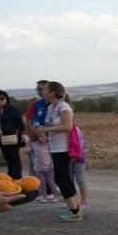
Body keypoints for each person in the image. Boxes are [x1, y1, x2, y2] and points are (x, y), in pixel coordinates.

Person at [31, 82, 82, 222]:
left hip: (63, 149)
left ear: (53, 92)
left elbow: (68, 126)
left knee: (61, 178)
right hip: (54, 148)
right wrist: (41, 129)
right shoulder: (50, 108)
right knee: (62, 177)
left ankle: (74, 211)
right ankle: (74, 207)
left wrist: (45, 130)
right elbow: (50, 124)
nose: (42, 92)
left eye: (45, 90)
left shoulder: (64, 106)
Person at [0, 91, 26, 179]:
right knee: (8, 159)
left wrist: (23, 135)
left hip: (13, 137)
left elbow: (20, 123)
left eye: (2, 98)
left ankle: (17, 177)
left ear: (6, 98)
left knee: (15, 158)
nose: (0, 100)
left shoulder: (13, 110)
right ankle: (10, 177)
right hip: (2, 137)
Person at [24, 80, 50, 178]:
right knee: (36, 164)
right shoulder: (35, 104)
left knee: (51, 164)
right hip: (37, 138)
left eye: (41, 89)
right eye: (37, 89)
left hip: (52, 138)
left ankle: (53, 188)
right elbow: (29, 120)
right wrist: (31, 136)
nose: (39, 91)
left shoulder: (56, 104)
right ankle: (35, 188)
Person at [70, 125, 89, 208]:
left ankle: (84, 201)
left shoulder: (75, 130)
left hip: (78, 159)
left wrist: (75, 156)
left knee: (80, 180)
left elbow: (81, 144)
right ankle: (72, 201)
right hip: (68, 159)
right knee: (69, 181)